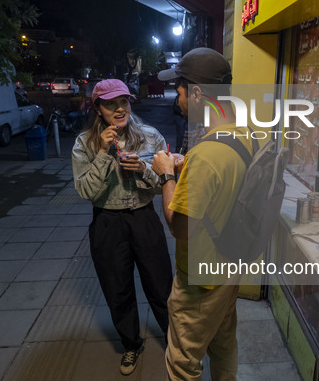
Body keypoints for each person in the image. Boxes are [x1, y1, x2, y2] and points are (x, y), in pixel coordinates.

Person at [151, 48, 252, 380]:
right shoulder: (240, 134)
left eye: (178, 89)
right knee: (223, 345)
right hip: (228, 267)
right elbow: (222, 188)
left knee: (182, 362)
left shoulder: (206, 155)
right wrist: (187, 170)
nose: (175, 97)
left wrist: (167, 173)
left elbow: (179, 227)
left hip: (201, 282)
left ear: (195, 93)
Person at [72, 79, 173, 376]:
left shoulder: (149, 137)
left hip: (143, 217)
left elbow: (164, 184)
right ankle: (131, 344)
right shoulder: (84, 144)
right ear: (98, 109)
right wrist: (103, 154)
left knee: (161, 285)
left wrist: (143, 170)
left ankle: (175, 341)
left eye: (124, 102)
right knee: (117, 289)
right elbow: (85, 192)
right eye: (110, 104)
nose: (119, 109)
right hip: (107, 222)